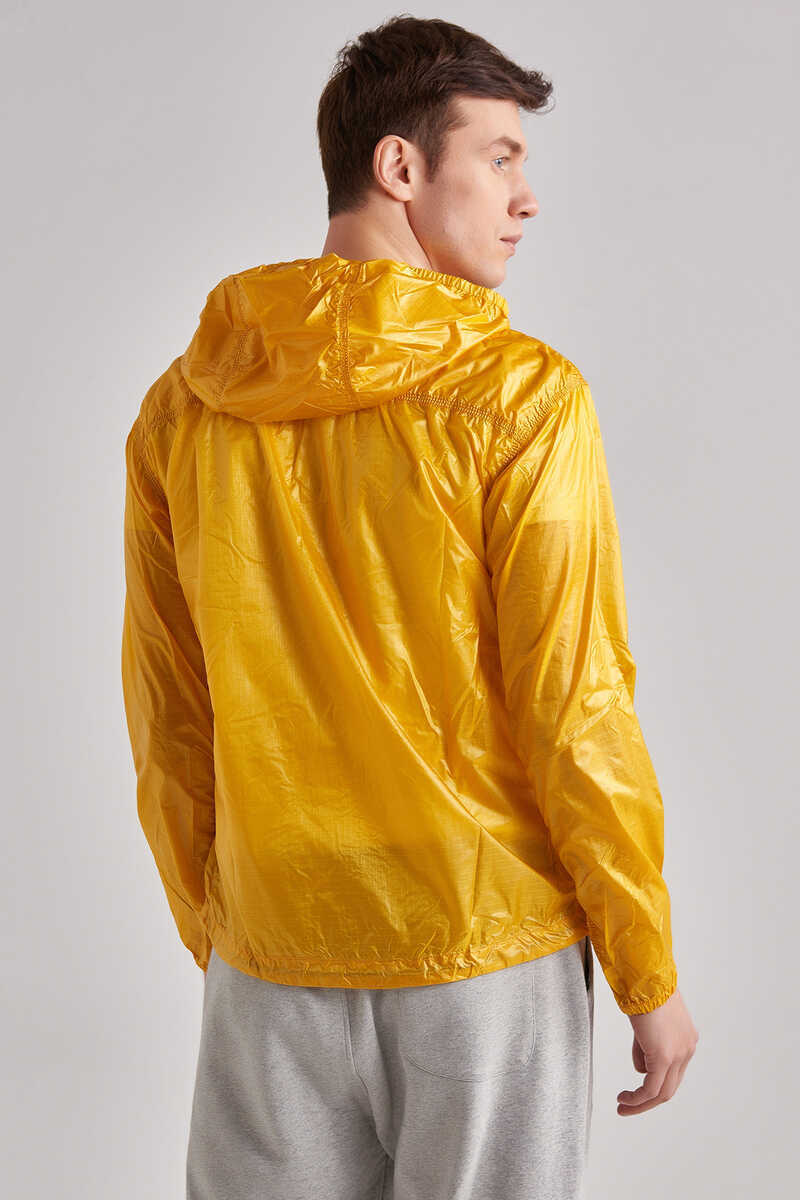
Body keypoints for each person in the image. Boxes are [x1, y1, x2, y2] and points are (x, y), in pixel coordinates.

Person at [120, 15, 699, 1200]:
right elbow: (572, 703)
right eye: (498, 156)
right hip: (483, 952)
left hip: (270, 954)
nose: (525, 197)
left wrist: (226, 930)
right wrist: (644, 968)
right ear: (398, 166)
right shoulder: (522, 399)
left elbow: (167, 704)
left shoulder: (185, 408)